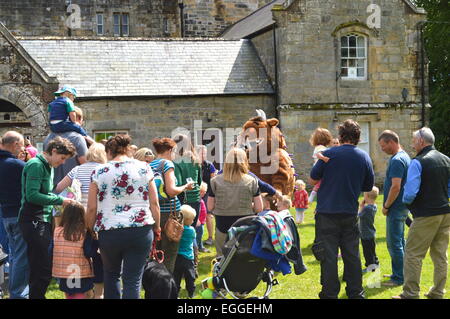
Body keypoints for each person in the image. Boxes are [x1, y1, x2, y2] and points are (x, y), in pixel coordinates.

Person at [86, 134, 160, 299]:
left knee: (111, 275)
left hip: (109, 230)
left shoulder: (99, 171)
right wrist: (157, 226)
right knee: (133, 279)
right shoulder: (145, 168)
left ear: (108, 152)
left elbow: (91, 208)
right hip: (140, 229)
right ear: (128, 149)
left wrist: (90, 229)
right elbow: (154, 203)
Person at [309, 119, 374, 299]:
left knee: (328, 257)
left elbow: (313, 179)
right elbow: (368, 185)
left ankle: (329, 293)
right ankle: (355, 292)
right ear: (358, 137)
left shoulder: (328, 154)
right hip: (349, 212)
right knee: (352, 255)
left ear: (340, 136)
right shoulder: (364, 157)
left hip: (326, 212)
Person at [393, 127, 450, 299]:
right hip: (445, 212)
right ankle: (438, 292)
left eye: (413, 140)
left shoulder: (418, 162)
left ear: (420, 141)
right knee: (440, 255)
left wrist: (406, 203)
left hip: (426, 214)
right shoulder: (447, 159)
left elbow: (410, 193)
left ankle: (410, 293)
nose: (411, 143)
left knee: (413, 254)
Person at [18, 136, 76, 299]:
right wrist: (61, 200)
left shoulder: (48, 166)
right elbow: (32, 195)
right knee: (41, 268)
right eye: (63, 158)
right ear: (54, 151)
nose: (63, 162)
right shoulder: (36, 165)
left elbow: (46, 192)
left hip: (42, 219)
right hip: (32, 220)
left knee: (42, 267)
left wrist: (66, 195)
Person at [150, 137, 194, 273]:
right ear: (169, 150)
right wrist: (185, 187)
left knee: (156, 253)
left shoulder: (149, 165)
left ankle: (154, 285)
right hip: (170, 214)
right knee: (169, 255)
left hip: (153, 212)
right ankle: (167, 288)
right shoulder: (167, 164)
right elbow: (171, 190)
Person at [208, 148, 263, 257]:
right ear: (244, 161)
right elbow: (259, 208)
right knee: (243, 256)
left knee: (221, 257)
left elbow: (210, 207)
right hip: (245, 225)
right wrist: (248, 205)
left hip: (222, 224)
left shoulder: (215, 181)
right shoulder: (252, 181)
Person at [378, 130, 411, 287]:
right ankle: (401, 272)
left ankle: (399, 278)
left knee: (394, 243)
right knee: (400, 241)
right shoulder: (404, 156)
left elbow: (395, 187)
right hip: (403, 206)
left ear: (391, 142)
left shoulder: (397, 160)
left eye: (383, 145)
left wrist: (386, 206)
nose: (382, 149)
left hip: (396, 208)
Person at [0, 131, 29, 299]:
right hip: (19, 214)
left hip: (5, 215)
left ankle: (15, 291)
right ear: (16, 144)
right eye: (22, 145)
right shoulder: (18, 165)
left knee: (13, 254)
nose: (23, 148)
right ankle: (18, 294)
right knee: (20, 257)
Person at [52, 202, 97, 299]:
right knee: (80, 293)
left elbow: (50, 250)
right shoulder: (84, 232)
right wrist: (96, 242)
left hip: (63, 270)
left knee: (70, 294)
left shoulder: (57, 231)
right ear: (82, 215)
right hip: (79, 270)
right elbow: (89, 252)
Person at [44, 106, 89, 189]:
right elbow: (86, 165)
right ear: (77, 119)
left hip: (51, 189)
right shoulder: (78, 138)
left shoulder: (48, 138)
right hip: (72, 190)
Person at [55, 143, 107, 208]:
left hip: (78, 210)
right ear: (104, 155)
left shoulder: (77, 169)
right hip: (98, 209)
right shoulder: (105, 170)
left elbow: (59, 188)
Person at [173, 134, 203, 227]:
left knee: (180, 229)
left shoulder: (175, 161)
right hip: (196, 197)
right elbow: (199, 181)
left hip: (182, 198)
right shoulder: (196, 160)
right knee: (192, 228)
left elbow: (178, 183)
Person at [173, 205, 197, 298]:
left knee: (176, 276)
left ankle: (175, 294)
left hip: (177, 257)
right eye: (192, 219)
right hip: (188, 257)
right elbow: (194, 243)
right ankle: (191, 293)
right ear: (187, 220)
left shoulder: (177, 229)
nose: (193, 221)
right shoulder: (191, 230)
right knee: (190, 277)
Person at [196, 145, 216, 247]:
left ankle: (210, 237)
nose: (204, 155)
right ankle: (195, 238)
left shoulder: (209, 165)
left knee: (208, 215)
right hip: (196, 192)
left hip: (207, 192)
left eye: (205, 153)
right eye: (202, 153)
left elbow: (213, 180)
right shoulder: (194, 164)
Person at [308, 127, 333, 203]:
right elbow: (318, 154)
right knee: (320, 183)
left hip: (317, 168)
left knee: (319, 184)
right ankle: (312, 196)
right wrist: (323, 158)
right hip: (320, 169)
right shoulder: (321, 148)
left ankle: (313, 196)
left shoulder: (318, 147)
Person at [358, 186, 380, 272]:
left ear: (367, 196)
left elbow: (358, 216)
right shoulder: (374, 206)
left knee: (367, 252)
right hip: (371, 232)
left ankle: (371, 267)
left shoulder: (366, 209)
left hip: (365, 234)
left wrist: (361, 207)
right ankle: (376, 262)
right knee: (372, 250)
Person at [195, 182, 209, 253]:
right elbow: (197, 211)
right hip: (199, 222)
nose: (204, 193)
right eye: (202, 192)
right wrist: (197, 219)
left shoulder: (201, 199)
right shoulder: (197, 200)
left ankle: (199, 246)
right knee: (198, 235)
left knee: (200, 234)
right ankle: (198, 247)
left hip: (202, 221)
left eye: (205, 192)